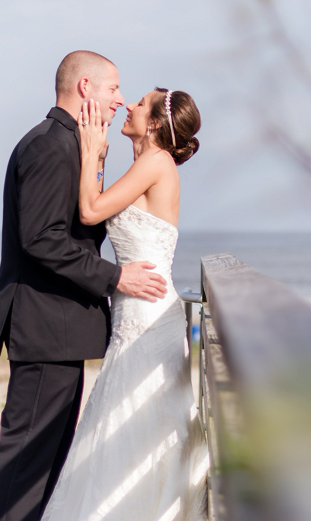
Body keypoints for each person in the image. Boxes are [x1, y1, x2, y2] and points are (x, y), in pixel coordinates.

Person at [0, 51, 169, 521]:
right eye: (112, 89)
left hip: (59, 330)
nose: (120, 101)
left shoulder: (72, 144)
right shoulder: (48, 146)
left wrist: (96, 161)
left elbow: (80, 225)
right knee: (23, 462)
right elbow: (41, 238)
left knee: (45, 466)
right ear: (85, 88)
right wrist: (115, 276)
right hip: (45, 326)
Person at [40, 88, 207, 521]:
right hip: (135, 309)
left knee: (135, 417)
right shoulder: (146, 163)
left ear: (152, 123)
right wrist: (96, 159)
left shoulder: (155, 163)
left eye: (139, 102)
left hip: (148, 313)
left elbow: (91, 211)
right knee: (126, 416)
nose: (128, 104)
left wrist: (94, 153)